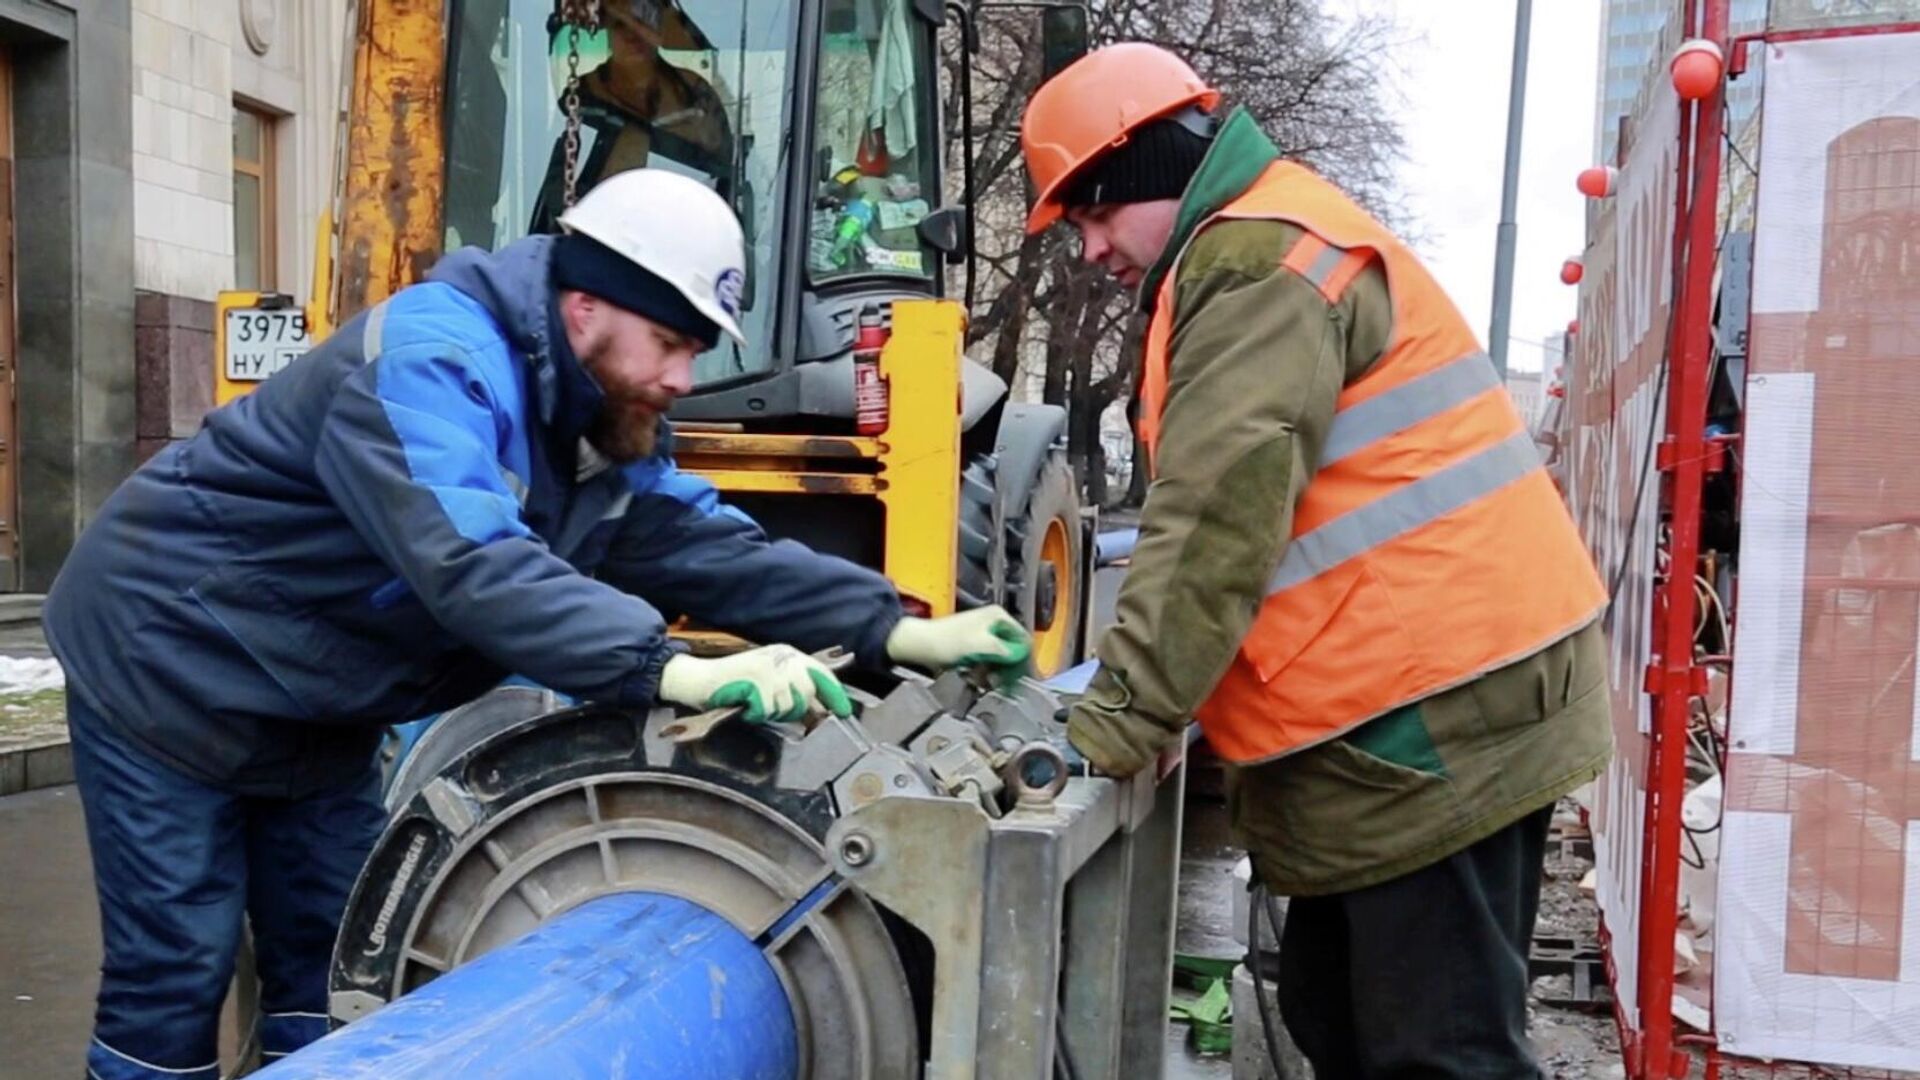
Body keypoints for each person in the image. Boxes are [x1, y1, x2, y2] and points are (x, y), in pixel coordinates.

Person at [45, 167, 1028, 1080]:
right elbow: (470, 561)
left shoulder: (600, 409)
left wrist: (888, 629)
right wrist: (667, 667)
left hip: (314, 701)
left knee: (338, 960)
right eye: (675, 341)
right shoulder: (434, 359)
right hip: (168, 664)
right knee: (178, 965)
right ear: (587, 304)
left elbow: (696, 543)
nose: (684, 376)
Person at [1022, 45, 1613, 1078]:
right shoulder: (1258, 246)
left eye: (1094, 214)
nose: (1091, 251)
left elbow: (1213, 523)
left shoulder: (1256, 263)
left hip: (1436, 714)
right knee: (1336, 1012)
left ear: (1148, 169)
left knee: (1437, 1052)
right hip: (1429, 697)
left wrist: (1122, 721)